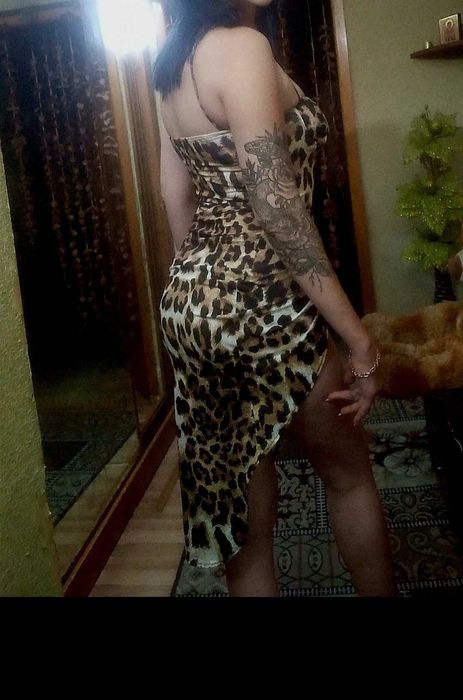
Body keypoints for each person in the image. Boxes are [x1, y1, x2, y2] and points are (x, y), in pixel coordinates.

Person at [153, 0, 397, 597]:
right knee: (347, 474)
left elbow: (173, 194)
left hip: (191, 302)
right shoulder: (242, 47)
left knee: (242, 505)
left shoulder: (170, 61)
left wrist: (205, 294)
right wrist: (360, 341)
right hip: (267, 299)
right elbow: (278, 209)